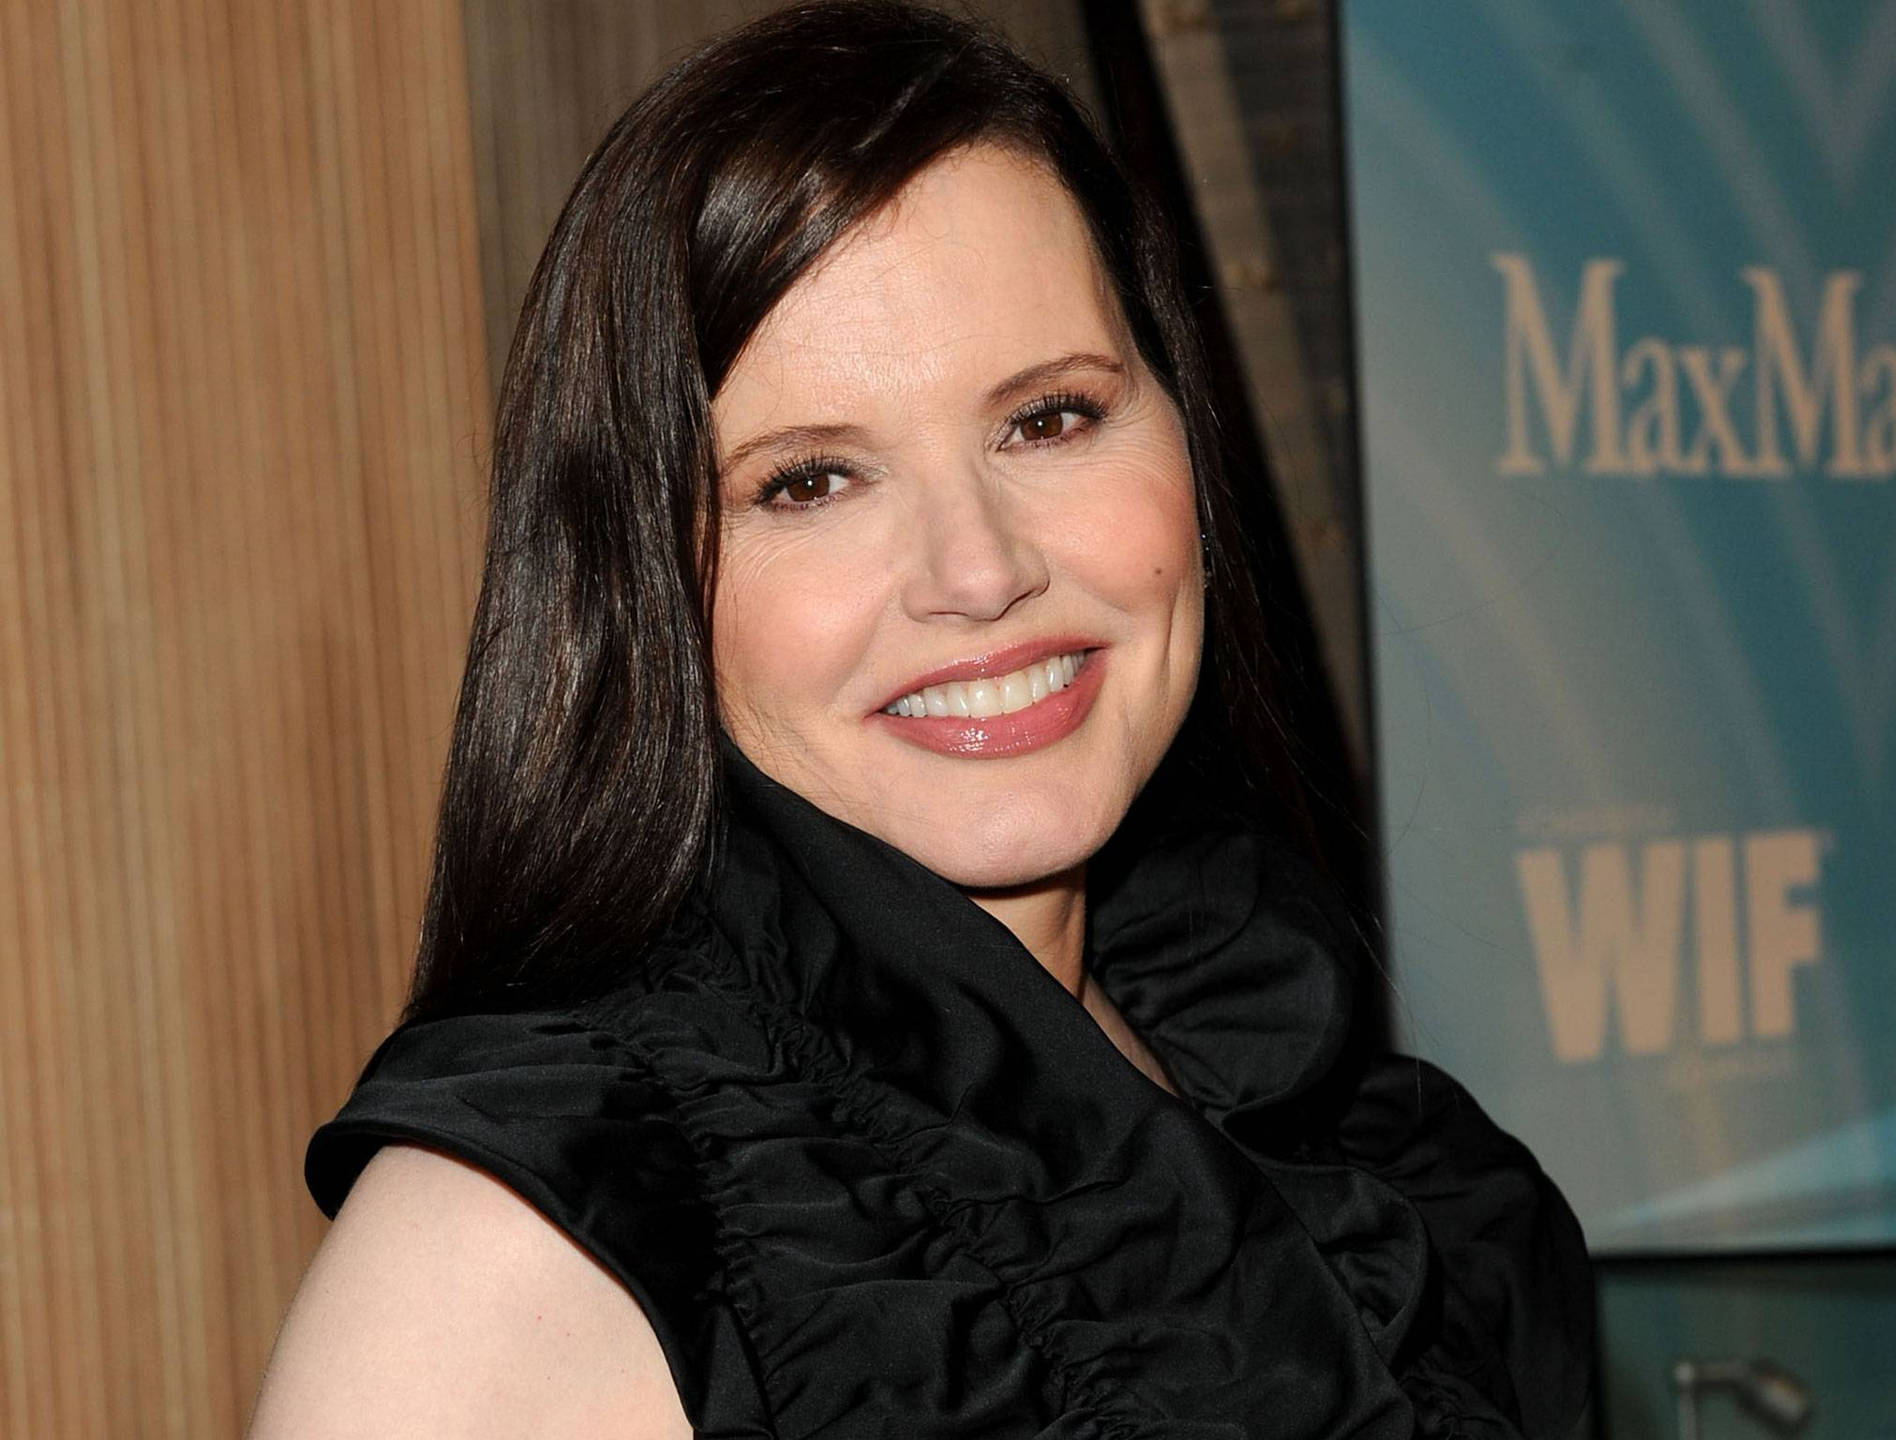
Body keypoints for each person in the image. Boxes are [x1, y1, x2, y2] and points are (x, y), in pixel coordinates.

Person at [249, 3, 1593, 1436]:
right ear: (643, 586)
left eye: (1050, 419)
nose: (982, 570)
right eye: (812, 481)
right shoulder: (512, 1257)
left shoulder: (1355, 1126)